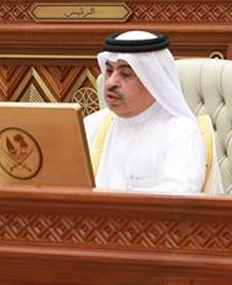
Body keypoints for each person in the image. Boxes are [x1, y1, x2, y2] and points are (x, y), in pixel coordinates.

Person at [84, 30, 220, 194]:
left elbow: (179, 198)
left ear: (153, 81)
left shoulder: (181, 131)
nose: (111, 82)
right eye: (109, 71)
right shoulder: (91, 126)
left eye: (125, 74)